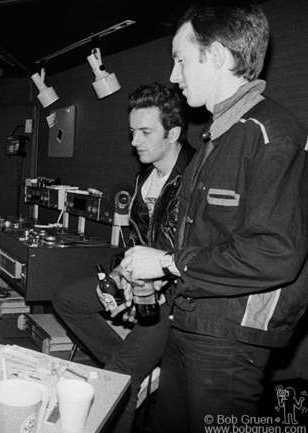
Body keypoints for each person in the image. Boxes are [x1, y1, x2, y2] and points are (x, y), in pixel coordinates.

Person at [119, 3, 308, 432]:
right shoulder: (215, 135)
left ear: (218, 56)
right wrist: (159, 270)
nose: (173, 75)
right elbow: (203, 239)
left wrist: (169, 264)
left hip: (230, 341)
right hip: (188, 320)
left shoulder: (272, 132)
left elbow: (275, 252)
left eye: (181, 59)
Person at [52, 83, 195, 433]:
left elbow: (196, 253)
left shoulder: (196, 178)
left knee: (116, 379)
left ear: (174, 132)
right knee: (66, 300)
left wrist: (154, 282)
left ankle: (125, 377)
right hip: (139, 282)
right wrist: (118, 276)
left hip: (177, 297)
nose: (135, 142)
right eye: (133, 132)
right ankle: (132, 369)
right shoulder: (144, 176)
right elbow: (139, 242)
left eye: (145, 132)